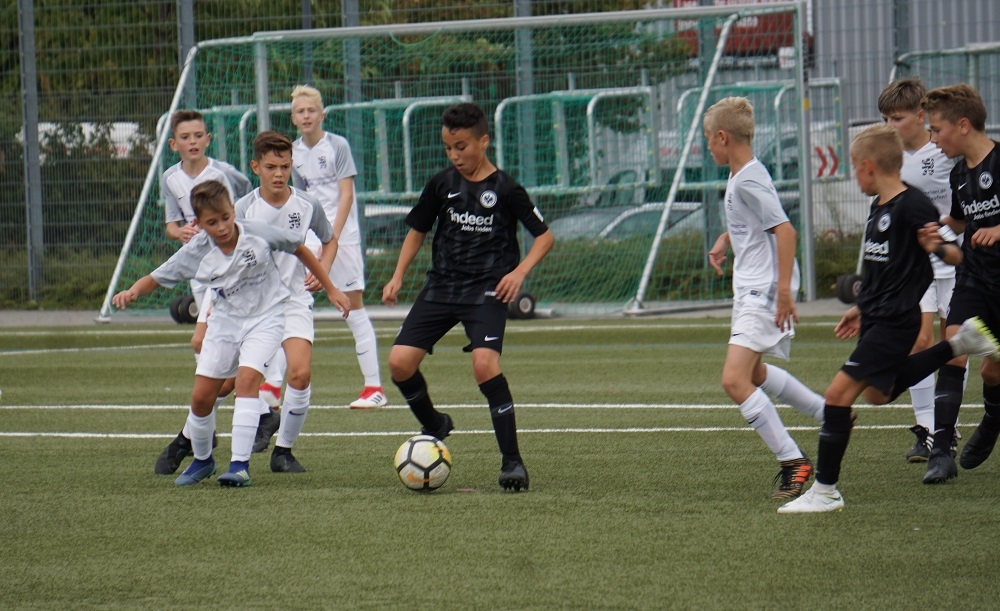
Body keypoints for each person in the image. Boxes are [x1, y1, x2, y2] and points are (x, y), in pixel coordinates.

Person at [777, 124, 997, 514]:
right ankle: (958, 345)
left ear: (868, 166)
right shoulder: (879, 205)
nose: (854, 175)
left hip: (896, 321)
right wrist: (860, 307)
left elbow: (955, 255)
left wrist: (935, 246)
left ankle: (825, 490)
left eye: (853, 168)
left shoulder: (913, 205)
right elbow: (877, 271)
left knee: (837, 396)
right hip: (877, 317)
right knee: (878, 394)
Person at [113, 180, 349, 487]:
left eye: (226, 217)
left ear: (233, 211)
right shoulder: (197, 251)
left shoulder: (257, 232)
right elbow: (158, 276)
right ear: (199, 224)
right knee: (201, 398)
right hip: (225, 322)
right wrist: (132, 292)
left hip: (267, 316)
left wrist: (331, 288)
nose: (222, 227)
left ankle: (239, 466)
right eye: (212, 222)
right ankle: (203, 461)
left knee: (247, 380)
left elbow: (300, 249)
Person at [381, 102, 554, 492]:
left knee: (484, 366)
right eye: (448, 148)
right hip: (442, 286)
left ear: (483, 141)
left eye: (461, 146)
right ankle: (435, 424)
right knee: (399, 364)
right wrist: (397, 276)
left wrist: (518, 272)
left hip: (487, 290)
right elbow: (417, 230)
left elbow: (545, 237)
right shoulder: (442, 184)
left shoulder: (506, 189)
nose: (454, 155)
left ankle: (512, 462)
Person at [704, 97, 827, 500]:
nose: (708, 146)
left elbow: (785, 230)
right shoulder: (744, 173)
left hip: (762, 291)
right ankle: (829, 414)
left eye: (709, 138)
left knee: (733, 379)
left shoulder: (748, 178)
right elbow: (757, 221)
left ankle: (793, 460)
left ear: (723, 137)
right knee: (754, 375)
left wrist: (785, 293)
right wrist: (728, 237)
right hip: (751, 289)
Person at [235, 130, 346, 473]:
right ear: (256, 167)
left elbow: (330, 240)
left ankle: (283, 451)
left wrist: (324, 271)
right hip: (255, 305)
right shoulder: (243, 209)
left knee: (299, 374)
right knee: (227, 382)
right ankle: (195, 437)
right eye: (271, 167)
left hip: (294, 299)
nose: (279, 173)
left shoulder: (306, 204)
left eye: (284, 166)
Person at [154, 109, 252, 475]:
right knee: (212, 367)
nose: (192, 141)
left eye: (198, 135)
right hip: (200, 272)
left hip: (229, 270)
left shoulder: (223, 174)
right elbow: (171, 224)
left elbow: (247, 204)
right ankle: (199, 435)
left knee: (206, 346)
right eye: (185, 136)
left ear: (208, 139)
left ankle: (195, 437)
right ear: (174, 144)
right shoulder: (171, 178)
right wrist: (179, 232)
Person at [877, 77, 961, 462]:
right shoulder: (890, 159)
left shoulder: (945, 151)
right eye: (885, 119)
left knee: (953, 343)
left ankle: (947, 424)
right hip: (915, 266)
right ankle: (927, 428)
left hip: (953, 258)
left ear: (921, 116)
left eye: (897, 118)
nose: (890, 126)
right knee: (919, 342)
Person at [290, 84, 387, 410]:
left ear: (322, 115)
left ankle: (374, 388)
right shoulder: (293, 153)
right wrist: (308, 237)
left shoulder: (337, 146)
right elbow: (301, 198)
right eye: (300, 111)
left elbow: (346, 195)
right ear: (293, 118)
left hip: (343, 235)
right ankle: (272, 387)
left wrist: (331, 238)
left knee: (351, 307)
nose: (306, 116)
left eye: (311, 110)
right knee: (291, 301)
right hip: (311, 236)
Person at [921, 83, 1000, 481]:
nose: (933, 140)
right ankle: (940, 450)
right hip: (974, 279)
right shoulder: (958, 175)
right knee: (954, 348)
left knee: (992, 374)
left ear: (964, 125)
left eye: (937, 130)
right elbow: (956, 221)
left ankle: (993, 420)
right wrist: (929, 231)